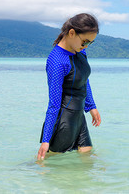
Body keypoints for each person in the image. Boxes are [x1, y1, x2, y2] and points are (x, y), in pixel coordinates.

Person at [37, 13, 101, 161]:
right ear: (72, 33)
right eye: (85, 41)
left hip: (79, 118)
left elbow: (84, 79)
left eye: (90, 43)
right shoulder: (57, 61)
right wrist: (45, 140)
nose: (86, 46)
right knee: (54, 167)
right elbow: (54, 104)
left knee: (87, 162)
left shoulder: (80, 51)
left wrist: (91, 106)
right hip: (63, 123)